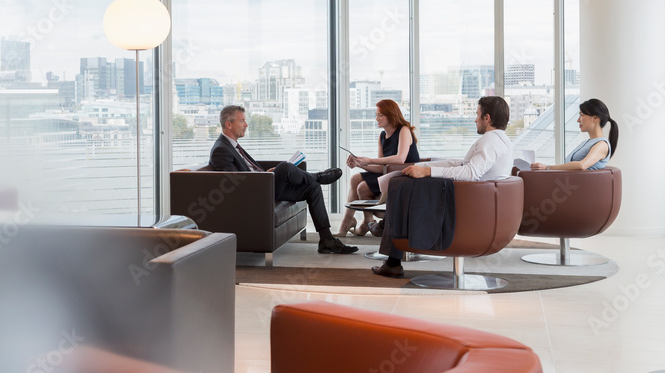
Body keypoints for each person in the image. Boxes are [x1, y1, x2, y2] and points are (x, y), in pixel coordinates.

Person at [372, 96, 513, 278]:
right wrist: (426, 167)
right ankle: (390, 244)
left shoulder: (490, 141)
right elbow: (464, 165)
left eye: (477, 115)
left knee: (400, 184)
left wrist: (428, 172)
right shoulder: (500, 140)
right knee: (402, 182)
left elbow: (470, 173)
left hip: (466, 208)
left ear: (487, 118)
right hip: (475, 203)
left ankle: (387, 230)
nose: (474, 119)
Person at [209, 105, 358, 255]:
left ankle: (327, 240)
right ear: (228, 124)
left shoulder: (232, 146)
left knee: (312, 188)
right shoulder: (221, 150)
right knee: (285, 168)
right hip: (255, 195)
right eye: (242, 121)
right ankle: (318, 177)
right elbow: (236, 184)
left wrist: (264, 173)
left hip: (264, 186)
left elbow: (247, 172)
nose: (246, 124)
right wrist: (263, 178)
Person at [338, 99, 419, 237]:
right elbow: (382, 167)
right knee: (355, 178)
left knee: (362, 187)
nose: (377, 118)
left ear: (391, 115)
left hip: (405, 175)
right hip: (390, 175)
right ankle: (350, 222)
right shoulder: (382, 136)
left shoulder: (404, 130)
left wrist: (369, 161)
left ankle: (367, 223)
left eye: (380, 115)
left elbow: (400, 159)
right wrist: (360, 164)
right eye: (376, 115)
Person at [530, 98, 618, 171]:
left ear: (595, 118)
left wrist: (547, 167)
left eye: (582, 115)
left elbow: (582, 165)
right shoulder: (586, 143)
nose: (578, 120)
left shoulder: (602, 145)